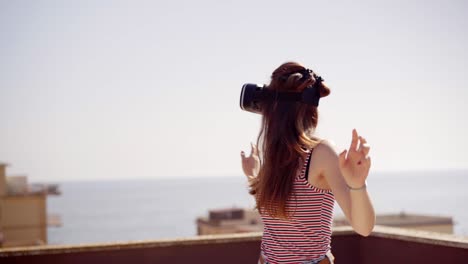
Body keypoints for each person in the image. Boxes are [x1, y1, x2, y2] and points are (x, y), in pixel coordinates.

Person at [240, 62, 375, 264]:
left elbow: (363, 228)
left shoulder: (321, 154)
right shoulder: (275, 156)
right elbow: (279, 224)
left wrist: (357, 184)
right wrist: (255, 175)